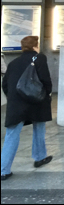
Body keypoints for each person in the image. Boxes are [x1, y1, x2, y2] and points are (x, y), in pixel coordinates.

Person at [1, 36, 53, 181]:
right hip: (36, 100)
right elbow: (45, 79)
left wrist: (13, 98)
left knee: (12, 134)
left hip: (16, 104)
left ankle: (3, 170)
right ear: (36, 46)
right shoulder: (39, 58)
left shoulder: (13, 63)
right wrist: (47, 93)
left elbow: (5, 84)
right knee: (39, 128)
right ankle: (39, 157)